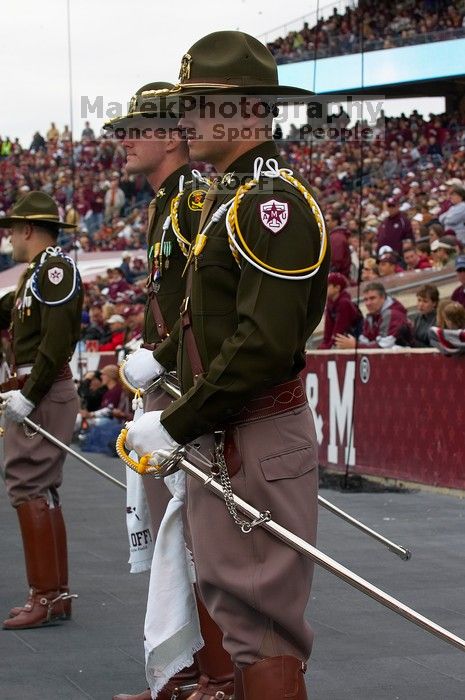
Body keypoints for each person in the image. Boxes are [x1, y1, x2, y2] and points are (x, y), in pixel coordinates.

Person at [124, 31, 330, 699]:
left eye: (198, 102)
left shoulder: (270, 204)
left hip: (253, 432)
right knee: (242, 619)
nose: (183, 119)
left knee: (262, 627)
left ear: (244, 108)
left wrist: (179, 419)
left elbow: (263, 344)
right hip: (230, 431)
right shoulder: (231, 196)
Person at [105, 82, 230, 700]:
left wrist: (163, 360)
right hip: (170, 379)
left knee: (196, 533)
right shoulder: (165, 202)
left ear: (174, 134)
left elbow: (201, 312)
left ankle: (217, 676)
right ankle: (188, 673)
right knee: (175, 533)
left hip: (188, 389)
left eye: (137, 127)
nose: (124, 139)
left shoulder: (190, 202)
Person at [0, 191, 83, 629]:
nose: (10, 236)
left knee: (27, 483)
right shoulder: (35, 272)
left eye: (13, 229)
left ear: (28, 228)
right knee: (41, 488)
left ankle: (46, 594)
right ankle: (54, 593)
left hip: (43, 389)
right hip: (41, 386)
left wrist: (30, 394)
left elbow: (55, 339)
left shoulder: (52, 269)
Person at [336, 281, 412, 349]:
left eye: (372, 298)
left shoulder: (392, 314)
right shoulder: (371, 316)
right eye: (365, 299)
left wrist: (356, 346)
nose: (368, 303)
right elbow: (364, 340)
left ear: (383, 298)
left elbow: (384, 346)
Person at [319, 272, 362, 348]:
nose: (324, 287)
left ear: (337, 288)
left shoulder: (344, 303)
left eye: (328, 285)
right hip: (344, 338)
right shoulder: (330, 303)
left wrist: (326, 347)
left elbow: (339, 330)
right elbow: (328, 330)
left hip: (355, 338)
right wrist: (324, 345)